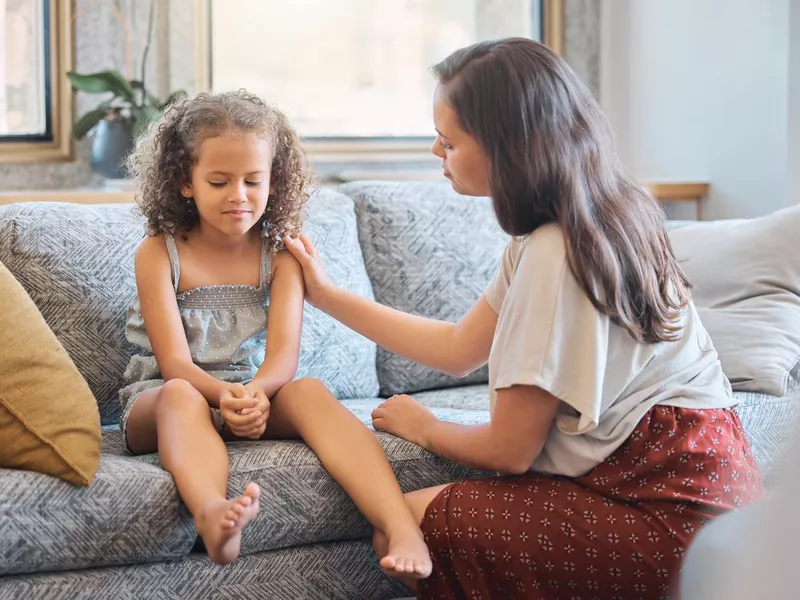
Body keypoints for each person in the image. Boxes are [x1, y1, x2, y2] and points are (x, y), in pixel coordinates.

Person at [284, 38, 762, 598]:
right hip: (714, 487)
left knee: (413, 525)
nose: (437, 152)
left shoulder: (554, 253)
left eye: (449, 140)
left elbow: (510, 451)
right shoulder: (601, 213)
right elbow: (460, 347)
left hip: (666, 513)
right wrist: (327, 295)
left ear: (507, 148)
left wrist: (425, 427)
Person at [119, 90, 431, 575]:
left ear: (274, 182)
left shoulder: (281, 256)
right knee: (181, 393)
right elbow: (175, 363)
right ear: (185, 181)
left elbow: (283, 358)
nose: (238, 195)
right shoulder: (159, 253)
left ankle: (400, 523)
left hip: (253, 392)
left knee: (308, 391)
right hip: (165, 399)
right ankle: (212, 517)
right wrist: (226, 396)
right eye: (219, 181)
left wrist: (257, 395)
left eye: (253, 180)